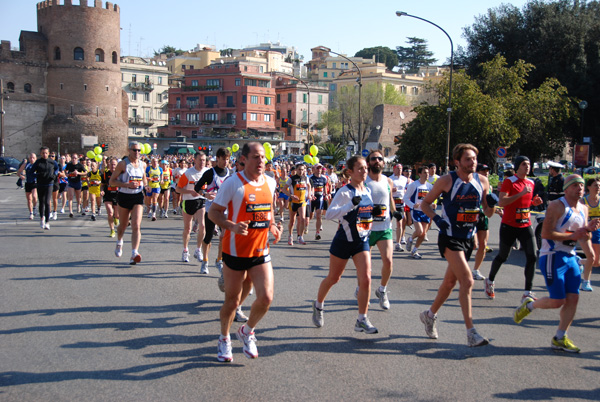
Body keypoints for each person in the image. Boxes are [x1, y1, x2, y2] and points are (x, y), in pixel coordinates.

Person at [208, 142, 282, 362]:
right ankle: (224, 339)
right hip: (235, 250)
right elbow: (214, 212)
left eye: (263, 157)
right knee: (232, 301)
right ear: (244, 160)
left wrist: (274, 225)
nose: (261, 161)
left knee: (266, 297)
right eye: (256, 157)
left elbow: (268, 210)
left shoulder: (270, 181)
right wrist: (231, 226)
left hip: (260, 249)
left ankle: (247, 330)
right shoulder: (233, 183)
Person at [419, 144, 496, 347]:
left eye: (474, 159)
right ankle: (471, 332)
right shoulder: (447, 180)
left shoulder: (483, 181)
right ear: (457, 162)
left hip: (468, 238)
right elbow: (424, 204)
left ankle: (429, 314)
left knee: (449, 283)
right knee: (468, 281)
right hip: (450, 236)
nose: (473, 163)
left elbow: (487, 213)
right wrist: (437, 219)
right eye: (468, 159)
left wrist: (493, 204)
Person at [514, 174, 600, 352]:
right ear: (566, 188)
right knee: (557, 300)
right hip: (552, 255)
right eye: (575, 185)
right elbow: (546, 234)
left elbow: (583, 236)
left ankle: (560, 337)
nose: (579, 189)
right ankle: (529, 304)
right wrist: (573, 236)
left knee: (573, 298)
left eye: (582, 186)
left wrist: (589, 233)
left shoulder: (583, 209)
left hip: (570, 257)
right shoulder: (557, 206)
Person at [312, 155, 378, 334]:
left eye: (365, 168)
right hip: (343, 242)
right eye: (360, 169)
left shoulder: (368, 190)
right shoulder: (345, 192)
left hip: (361, 241)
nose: (364, 171)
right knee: (334, 278)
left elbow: (366, 214)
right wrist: (350, 205)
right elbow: (329, 215)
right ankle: (318, 305)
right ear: (350, 172)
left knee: (366, 279)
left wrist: (376, 212)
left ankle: (362, 319)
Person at [485, 156, 543, 301]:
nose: (527, 167)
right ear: (517, 167)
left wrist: (533, 202)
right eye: (524, 164)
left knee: (532, 256)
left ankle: (527, 291)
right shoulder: (509, 182)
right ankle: (490, 280)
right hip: (509, 225)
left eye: (529, 164)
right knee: (503, 256)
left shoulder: (531, 182)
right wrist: (521, 193)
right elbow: (503, 202)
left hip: (525, 224)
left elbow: (526, 203)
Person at [364, 150, 400, 310]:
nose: (377, 161)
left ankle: (382, 290)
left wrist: (395, 211)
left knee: (388, 261)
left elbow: (390, 199)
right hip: (366, 227)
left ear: (383, 163)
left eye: (380, 159)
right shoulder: (362, 181)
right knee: (366, 266)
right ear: (368, 162)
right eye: (373, 159)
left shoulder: (387, 181)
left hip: (385, 227)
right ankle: (362, 289)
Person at [110, 142, 148, 265]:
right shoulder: (123, 164)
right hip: (124, 196)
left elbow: (144, 178)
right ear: (129, 150)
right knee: (123, 225)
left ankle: (134, 253)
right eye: (134, 150)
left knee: (136, 225)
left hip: (137, 196)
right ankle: (119, 241)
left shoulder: (143, 164)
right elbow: (112, 182)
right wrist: (127, 185)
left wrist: (146, 186)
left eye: (139, 150)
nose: (137, 153)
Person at [177, 152, 208, 269]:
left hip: (201, 201)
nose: (202, 162)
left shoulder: (207, 172)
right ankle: (185, 250)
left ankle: (198, 249)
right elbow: (178, 189)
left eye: (204, 160)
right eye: (200, 160)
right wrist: (190, 192)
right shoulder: (188, 174)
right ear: (194, 160)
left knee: (203, 226)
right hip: (188, 201)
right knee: (188, 228)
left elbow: (210, 186)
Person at [403, 166, 433, 259]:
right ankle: (410, 239)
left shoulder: (429, 186)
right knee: (419, 231)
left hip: (426, 211)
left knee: (423, 235)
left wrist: (432, 204)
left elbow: (431, 199)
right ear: (419, 174)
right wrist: (412, 205)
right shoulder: (414, 185)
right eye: (424, 172)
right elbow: (405, 198)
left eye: (428, 173)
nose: (427, 174)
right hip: (416, 211)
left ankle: (415, 250)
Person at [472, 163, 494, 280]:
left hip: (483, 217)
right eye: (483, 171)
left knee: (483, 244)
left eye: (487, 171)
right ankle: (460, 266)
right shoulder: (472, 183)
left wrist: (496, 210)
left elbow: (489, 205)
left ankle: (476, 270)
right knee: (474, 244)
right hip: (471, 215)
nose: (485, 173)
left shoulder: (488, 186)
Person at [30, 147, 59, 230]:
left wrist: (54, 175)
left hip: (49, 184)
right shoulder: (38, 162)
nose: (44, 154)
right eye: (43, 153)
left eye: (46, 153)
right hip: (40, 184)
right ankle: (42, 218)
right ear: (40, 153)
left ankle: (47, 222)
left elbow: (57, 168)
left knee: (47, 202)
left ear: (48, 153)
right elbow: (31, 172)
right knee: (41, 202)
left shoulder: (52, 162)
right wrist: (37, 175)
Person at [580, 177, 600, 291]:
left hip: (598, 232)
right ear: (589, 187)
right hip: (587, 232)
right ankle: (586, 282)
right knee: (591, 258)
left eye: (599, 186)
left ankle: (579, 262)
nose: (598, 188)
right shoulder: (583, 201)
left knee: (596, 262)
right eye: (595, 185)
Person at [284, 163, 311, 246]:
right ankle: (290, 235)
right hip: (293, 203)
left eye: (302, 169)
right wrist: (291, 195)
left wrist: (309, 194)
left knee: (302, 219)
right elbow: (284, 189)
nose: (301, 171)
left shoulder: (306, 178)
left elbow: (309, 186)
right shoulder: (291, 179)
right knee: (292, 221)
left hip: (302, 202)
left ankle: (300, 237)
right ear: (296, 170)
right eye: (299, 169)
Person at [307, 163, 330, 240]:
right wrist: (310, 195)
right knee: (310, 216)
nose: (319, 170)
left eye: (320, 168)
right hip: (312, 198)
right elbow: (308, 188)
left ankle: (317, 233)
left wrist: (326, 195)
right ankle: (306, 226)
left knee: (319, 215)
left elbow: (325, 188)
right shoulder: (310, 178)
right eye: (317, 168)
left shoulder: (324, 178)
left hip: (320, 198)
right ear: (314, 169)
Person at [389, 164, 408, 251]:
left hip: (400, 203)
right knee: (389, 223)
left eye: (401, 169)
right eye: (397, 169)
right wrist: (391, 190)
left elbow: (407, 188)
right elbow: (386, 190)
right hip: (391, 202)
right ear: (394, 170)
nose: (399, 170)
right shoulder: (390, 179)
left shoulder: (404, 179)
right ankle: (388, 241)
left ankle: (398, 243)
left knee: (400, 223)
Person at [102, 158, 119, 237]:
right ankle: (112, 230)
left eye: (114, 164)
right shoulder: (106, 173)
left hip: (117, 195)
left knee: (116, 214)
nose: (113, 166)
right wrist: (101, 191)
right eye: (111, 164)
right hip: (108, 195)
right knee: (110, 213)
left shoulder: (120, 174)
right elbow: (102, 185)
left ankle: (116, 217)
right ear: (109, 165)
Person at [64, 154, 86, 218]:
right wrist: (67, 174)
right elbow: (65, 171)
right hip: (71, 182)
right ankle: (70, 212)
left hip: (77, 182)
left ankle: (79, 205)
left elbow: (85, 172)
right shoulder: (69, 165)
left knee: (78, 197)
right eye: (73, 158)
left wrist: (78, 173)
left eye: (75, 158)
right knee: (70, 197)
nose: (74, 159)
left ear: (77, 159)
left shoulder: (80, 165)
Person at [17, 152, 38, 220]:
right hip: (28, 183)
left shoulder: (37, 165)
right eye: (30, 158)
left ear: (35, 158)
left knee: (34, 197)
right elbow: (18, 172)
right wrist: (21, 176)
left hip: (35, 182)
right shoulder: (26, 165)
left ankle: (34, 207)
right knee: (29, 199)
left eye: (33, 158)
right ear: (29, 158)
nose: (32, 159)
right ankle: (31, 213)